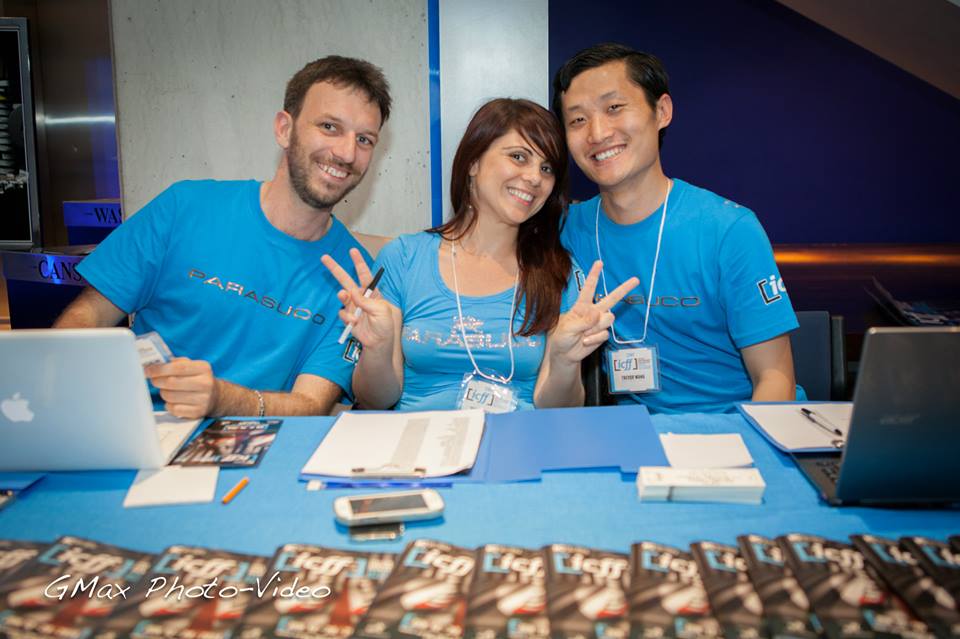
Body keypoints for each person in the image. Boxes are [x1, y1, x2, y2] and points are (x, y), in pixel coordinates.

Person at [54, 56, 392, 419]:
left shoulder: (356, 276)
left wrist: (222, 399)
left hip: (256, 442)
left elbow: (312, 404)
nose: (346, 153)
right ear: (284, 129)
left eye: (364, 139)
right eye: (329, 126)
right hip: (139, 426)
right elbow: (89, 315)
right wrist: (55, 383)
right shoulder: (185, 206)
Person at [322, 98, 638, 411]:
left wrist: (564, 360)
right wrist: (377, 348)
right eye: (518, 157)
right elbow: (377, 399)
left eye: (546, 168)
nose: (534, 178)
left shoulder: (558, 272)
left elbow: (559, 411)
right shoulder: (403, 258)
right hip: (420, 439)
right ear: (473, 162)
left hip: (520, 439)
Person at [552, 43, 798, 413]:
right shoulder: (569, 231)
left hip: (736, 429)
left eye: (614, 108)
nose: (597, 133)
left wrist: (745, 446)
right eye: (577, 120)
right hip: (637, 434)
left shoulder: (729, 230)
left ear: (662, 111)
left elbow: (775, 380)